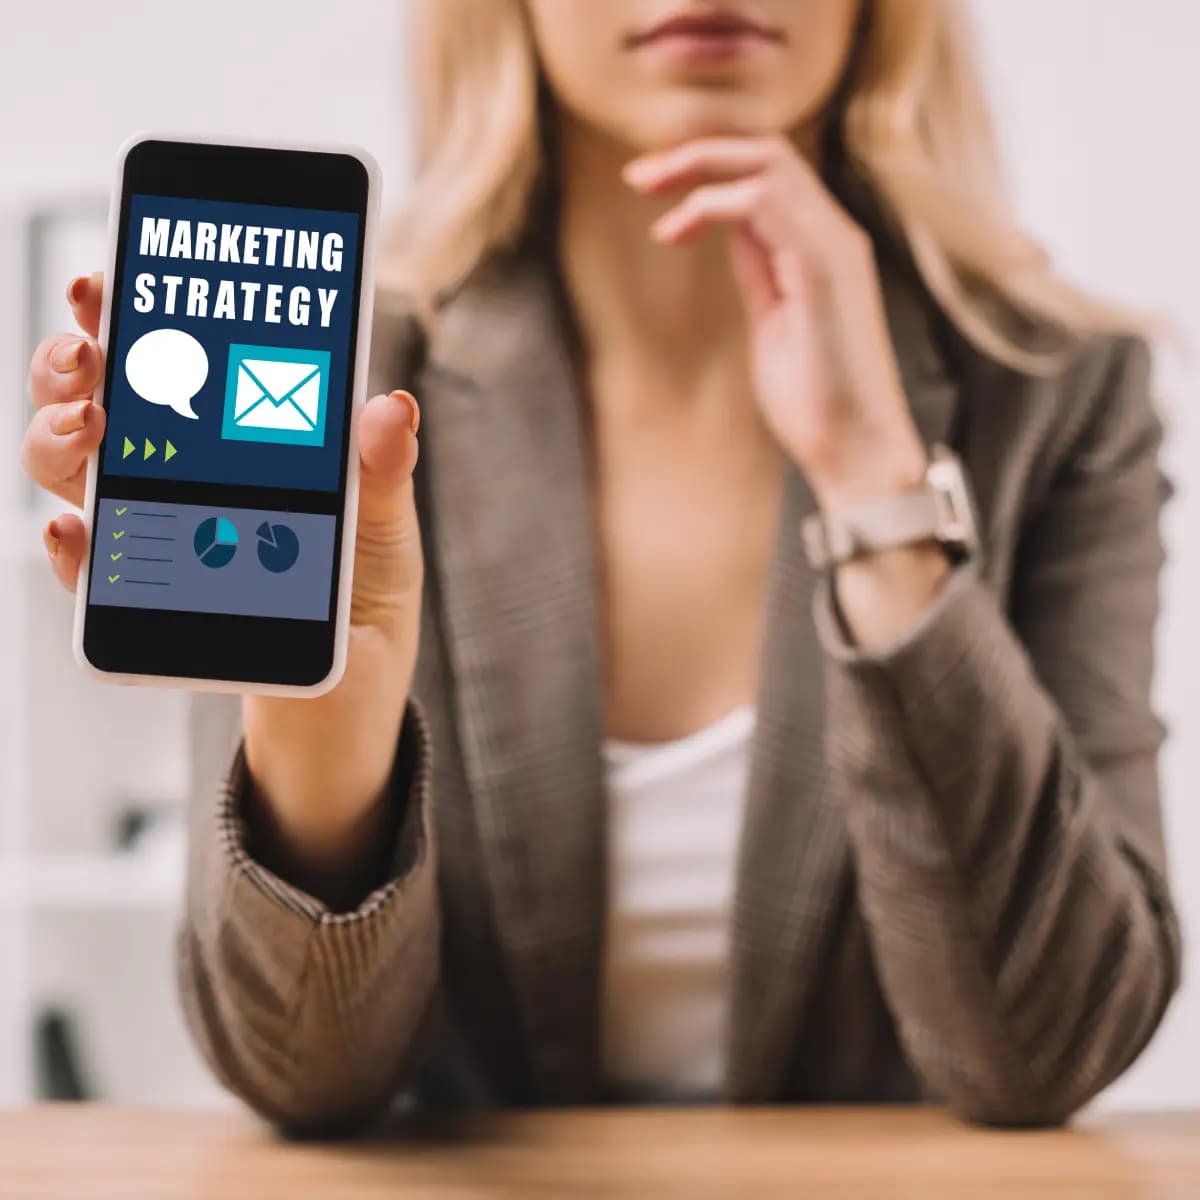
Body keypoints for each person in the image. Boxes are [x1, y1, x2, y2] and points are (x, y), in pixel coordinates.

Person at [23, 0, 1180, 1132]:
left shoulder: (1058, 392)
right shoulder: (350, 382)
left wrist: (879, 484)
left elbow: (1050, 1048)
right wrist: (325, 742)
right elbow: (302, 1080)